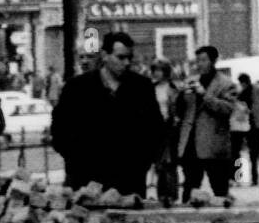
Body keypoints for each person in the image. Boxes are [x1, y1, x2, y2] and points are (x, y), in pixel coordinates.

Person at [49, 32, 163, 197]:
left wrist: (142, 163)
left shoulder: (141, 86)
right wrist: (74, 160)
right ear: (105, 55)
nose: (126, 63)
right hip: (86, 178)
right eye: (121, 57)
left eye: (129, 58)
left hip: (129, 178)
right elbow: (60, 129)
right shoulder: (77, 87)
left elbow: (155, 128)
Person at [176, 46, 237, 201]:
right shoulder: (192, 80)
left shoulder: (226, 83)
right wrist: (181, 95)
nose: (200, 64)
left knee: (220, 188)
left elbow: (228, 109)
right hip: (191, 143)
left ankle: (222, 219)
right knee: (189, 187)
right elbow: (180, 111)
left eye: (203, 60)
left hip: (214, 145)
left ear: (213, 61)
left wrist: (205, 95)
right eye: (197, 60)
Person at [150, 59, 181, 203]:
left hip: (170, 128)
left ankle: (172, 194)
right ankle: (161, 194)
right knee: (159, 164)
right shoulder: (151, 88)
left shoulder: (174, 88)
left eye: (160, 70)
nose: (157, 73)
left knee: (170, 163)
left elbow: (179, 109)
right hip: (156, 127)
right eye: (155, 69)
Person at [229, 74, 253, 183]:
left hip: (234, 129)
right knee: (238, 153)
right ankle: (239, 176)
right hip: (244, 129)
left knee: (234, 153)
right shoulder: (243, 103)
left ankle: (235, 176)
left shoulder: (232, 104)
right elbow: (248, 112)